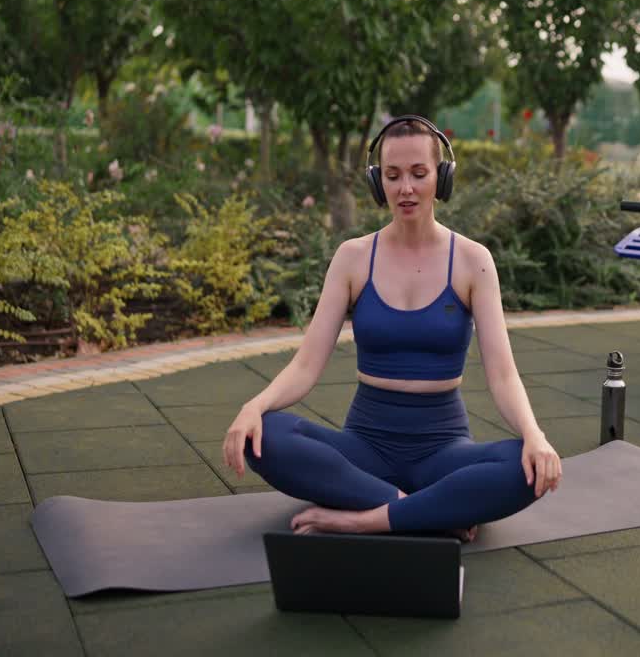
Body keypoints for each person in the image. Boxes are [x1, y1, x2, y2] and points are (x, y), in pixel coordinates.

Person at [221, 115, 562, 542]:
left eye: (419, 173)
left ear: (441, 177)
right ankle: (428, 512)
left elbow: (503, 374)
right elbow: (306, 366)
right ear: (376, 181)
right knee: (265, 436)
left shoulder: (473, 261)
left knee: (526, 467)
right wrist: (254, 406)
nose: (405, 188)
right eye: (393, 175)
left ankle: (363, 517)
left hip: (443, 453)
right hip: (363, 450)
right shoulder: (352, 257)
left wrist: (534, 435)